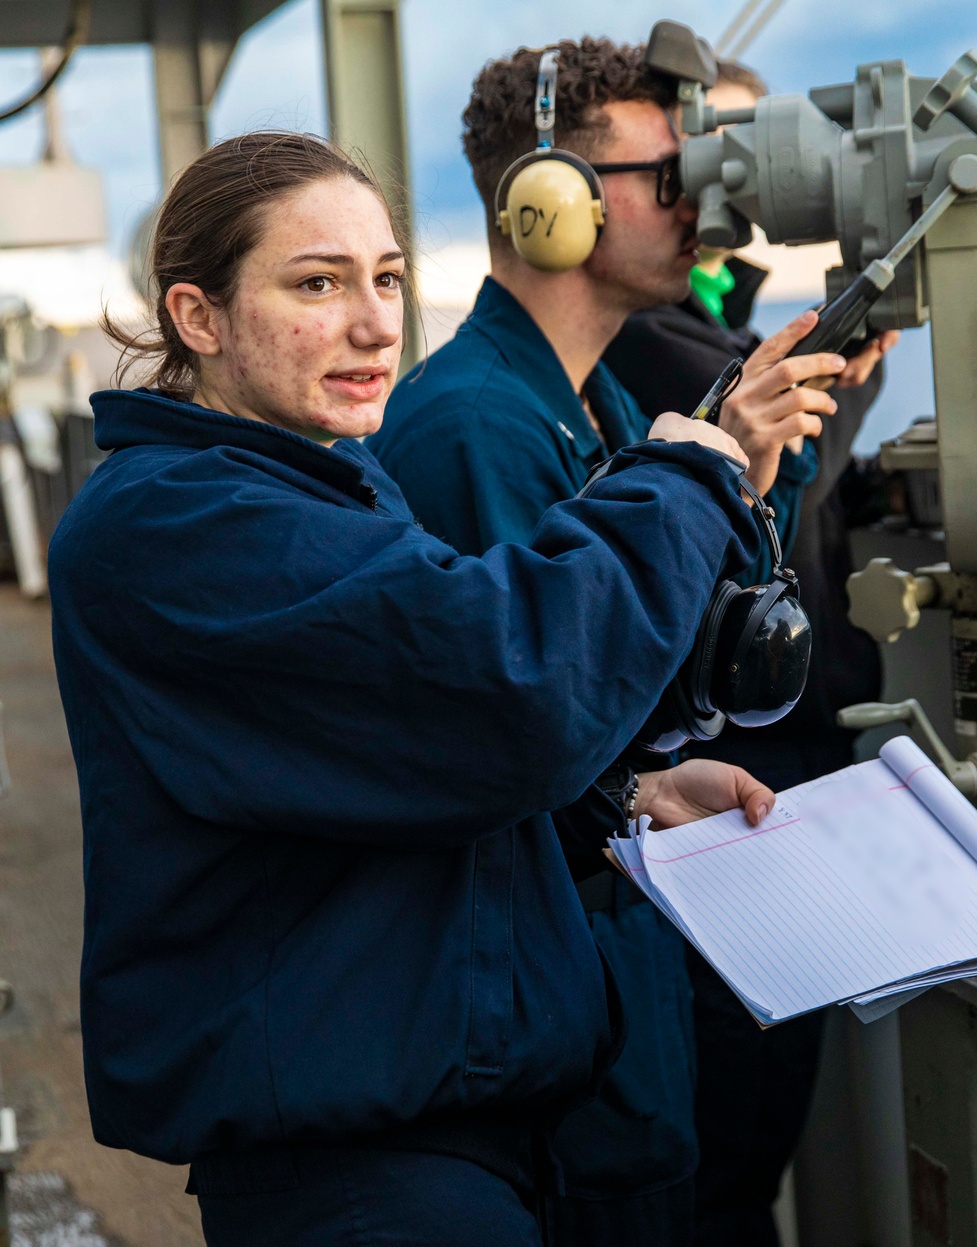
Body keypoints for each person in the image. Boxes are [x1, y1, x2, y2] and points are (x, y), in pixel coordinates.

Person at [47, 131, 780, 1247]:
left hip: (447, 1137)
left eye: (386, 278)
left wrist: (615, 799)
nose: (377, 322)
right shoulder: (179, 522)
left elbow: (390, 753)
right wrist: (684, 473)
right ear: (198, 318)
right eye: (317, 283)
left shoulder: (315, 482)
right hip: (358, 1174)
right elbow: (505, 687)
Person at [369, 38, 848, 1247]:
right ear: (550, 204)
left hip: (617, 972)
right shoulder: (476, 427)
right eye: (669, 177)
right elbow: (533, 722)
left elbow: (689, 651)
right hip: (553, 993)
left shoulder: (614, 410)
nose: (704, 207)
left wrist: (751, 474)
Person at [603, 60, 895, 1247]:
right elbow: (764, 486)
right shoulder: (663, 344)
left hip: (764, 752)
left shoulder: (705, 325)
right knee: (734, 1130)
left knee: (753, 1119)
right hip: (737, 764)